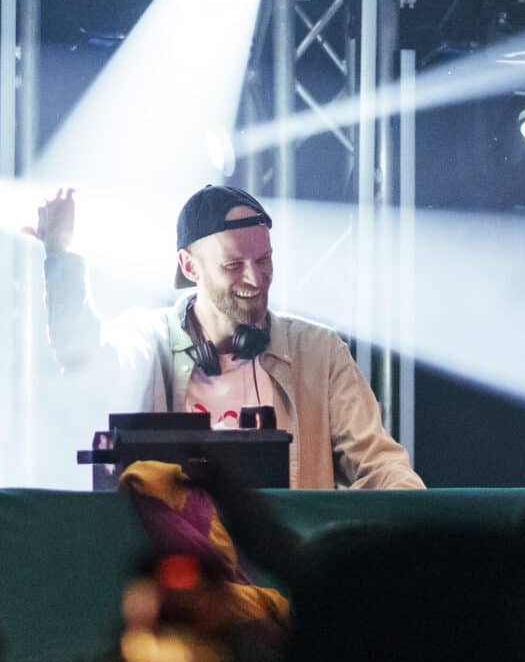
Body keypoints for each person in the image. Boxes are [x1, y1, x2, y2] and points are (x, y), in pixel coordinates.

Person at [32, 183, 420, 490]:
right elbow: (81, 352)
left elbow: (379, 464)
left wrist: (420, 521)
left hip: (282, 564)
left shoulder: (319, 353)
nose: (255, 278)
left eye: (264, 260)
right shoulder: (149, 338)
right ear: (189, 266)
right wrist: (59, 254)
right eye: (233, 265)